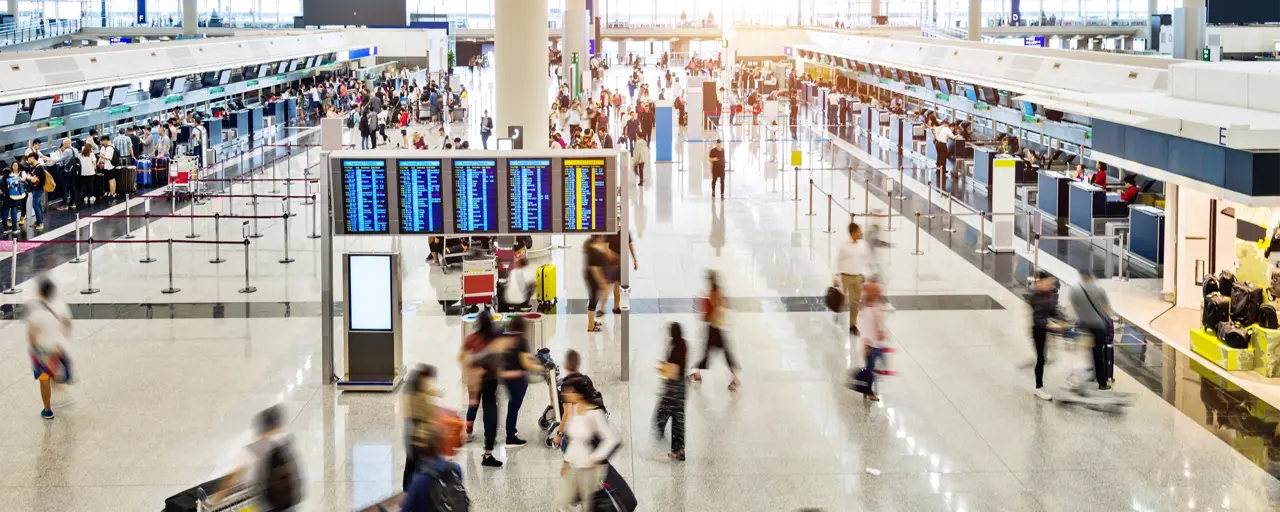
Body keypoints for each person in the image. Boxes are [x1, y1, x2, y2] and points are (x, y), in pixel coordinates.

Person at [213, 405, 303, 511]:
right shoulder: (284, 441)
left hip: (270, 505)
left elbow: (232, 479)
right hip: (289, 502)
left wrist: (216, 499)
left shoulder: (252, 451)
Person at [553, 376, 620, 511]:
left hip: (589, 470)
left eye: (569, 392)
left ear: (579, 394)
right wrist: (566, 461)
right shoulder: (574, 410)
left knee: (587, 503)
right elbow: (574, 440)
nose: (565, 395)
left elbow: (612, 439)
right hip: (574, 465)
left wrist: (595, 458)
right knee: (562, 500)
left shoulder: (594, 413)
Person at [459, 312, 510, 467]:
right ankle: (488, 450)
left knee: (473, 403)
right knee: (489, 408)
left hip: (474, 378)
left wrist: (471, 366)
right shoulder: (494, 338)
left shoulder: (471, 338)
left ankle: (468, 432)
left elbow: (461, 357)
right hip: (489, 379)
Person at [26, 276, 71, 419]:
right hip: (57, 347)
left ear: (40, 293)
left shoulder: (36, 312)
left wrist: (34, 348)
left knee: (43, 379)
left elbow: (32, 334)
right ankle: (59, 382)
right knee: (54, 367)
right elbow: (67, 323)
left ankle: (47, 410)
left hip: (43, 350)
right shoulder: (60, 306)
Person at [688, 270, 740, 390]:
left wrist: (709, 311)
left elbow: (713, 311)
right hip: (717, 328)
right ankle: (698, 375)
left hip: (714, 329)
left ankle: (697, 375)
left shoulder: (713, 293)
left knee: (711, 354)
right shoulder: (718, 292)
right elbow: (725, 305)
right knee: (721, 354)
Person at [1067, 269, 1114, 390]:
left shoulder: (1075, 289)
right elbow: (1107, 309)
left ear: (1082, 277)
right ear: (1091, 277)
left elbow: (1071, 308)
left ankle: (1078, 378)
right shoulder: (1099, 290)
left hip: (1083, 326)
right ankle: (1102, 383)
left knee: (1082, 352)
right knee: (1098, 355)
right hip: (1098, 327)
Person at [500, 315, 541, 447]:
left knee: (512, 405)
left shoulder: (505, 337)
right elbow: (526, 363)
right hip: (518, 379)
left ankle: (511, 429)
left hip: (507, 377)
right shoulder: (521, 340)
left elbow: (523, 355)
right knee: (514, 407)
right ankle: (510, 436)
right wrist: (541, 368)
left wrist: (535, 358)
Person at [400, 364, 439, 491]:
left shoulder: (418, 392)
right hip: (419, 438)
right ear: (422, 379)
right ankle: (410, 494)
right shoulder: (416, 397)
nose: (431, 382)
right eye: (429, 379)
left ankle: (408, 493)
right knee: (415, 466)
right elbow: (420, 418)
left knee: (412, 466)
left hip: (417, 437)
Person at [653, 322, 688, 461]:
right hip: (682, 389)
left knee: (660, 417)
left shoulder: (675, 349)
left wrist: (662, 368)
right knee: (678, 420)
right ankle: (679, 450)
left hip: (672, 391)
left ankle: (662, 444)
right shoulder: (683, 344)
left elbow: (673, 372)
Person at [833, 222, 873, 335]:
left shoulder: (863, 246)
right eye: (858, 231)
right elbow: (838, 261)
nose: (860, 233)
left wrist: (866, 274)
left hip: (858, 277)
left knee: (855, 302)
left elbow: (866, 260)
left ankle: (852, 325)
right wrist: (836, 276)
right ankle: (837, 311)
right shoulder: (844, 246)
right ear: (852, 233)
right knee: (843, 299)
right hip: (845, 276)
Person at [1029, 271, 1063, 401]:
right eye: (1048, 282)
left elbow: (1054, 311)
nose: (1050, 285)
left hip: (1046, 329)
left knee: (1044, 357)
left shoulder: (1049, 295)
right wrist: (1051, 325)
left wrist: (1063, 320)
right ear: (1041, 282)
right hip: (1038, 331)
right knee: (1041, 358)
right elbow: (1038, 318)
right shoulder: (1036, 297)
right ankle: (1038, 387)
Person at [597, 222, 638, 317]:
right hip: (610, 262)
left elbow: (630, 245)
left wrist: (635, 260)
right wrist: (614, 258)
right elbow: (605, 248)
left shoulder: (625, 232)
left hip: (620, 262)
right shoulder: (609, 232)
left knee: (617, 284)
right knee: (607, 285)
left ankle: (616, 306)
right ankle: (602, 308)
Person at [857, 282, 889, 402]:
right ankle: (868, 391)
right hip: (870, 345)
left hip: (877, 343)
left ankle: (867, 389)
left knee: (875, 366)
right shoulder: (865, 310)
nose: (877, 294)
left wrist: (881, 331)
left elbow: (879, 321)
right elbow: (863, 328)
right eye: (874, 292)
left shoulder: (876, 305)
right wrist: (867, 344)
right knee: (870, 368)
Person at [583, 235, 609, 332]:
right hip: (593, 278)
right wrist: (601, 281)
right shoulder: (593, 251)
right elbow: (594, 269)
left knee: (594, 299)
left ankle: (592, 321)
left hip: (590, 276)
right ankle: (590, 326)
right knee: (593, 300)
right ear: (597, 239)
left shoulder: (591, 247)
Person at [5, 161, 27, 234]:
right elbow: (8, 182)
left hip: (22, 192)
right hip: (13, 193)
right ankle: (12, 220)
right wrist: (16, 179)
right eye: (13, 165)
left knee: (23, 205)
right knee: (14, 207)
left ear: (18, 166)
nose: (15, 166)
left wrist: (14, 179)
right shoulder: (10, 173)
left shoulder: (22, 172)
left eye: (16, 165)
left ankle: (22, 217)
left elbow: (23, 179)